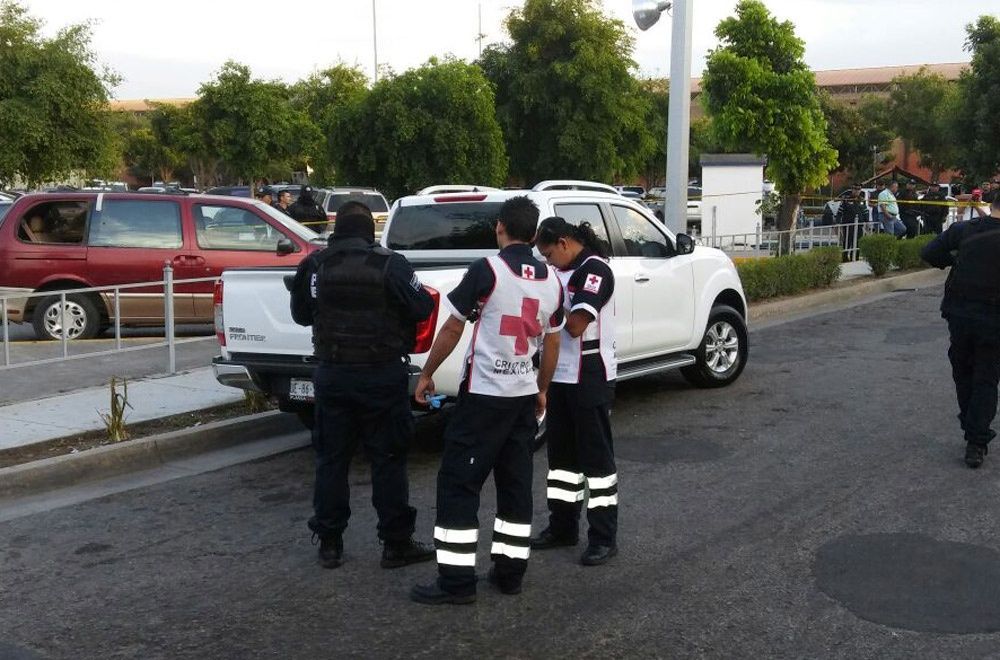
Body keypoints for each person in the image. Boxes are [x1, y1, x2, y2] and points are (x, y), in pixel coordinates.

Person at [409, 196, 564, 605]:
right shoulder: (551, 280)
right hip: (523, 398)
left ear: (500, 227)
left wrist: (426, 373)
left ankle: (456, 583)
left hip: (484, 397)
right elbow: (552, 344)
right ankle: (510, 573)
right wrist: (543, 388)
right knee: (516, 486)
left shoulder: (487, 271)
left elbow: (453, 329)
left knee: (459, 484)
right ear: (533, 235)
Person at [289, 201, 436, 569]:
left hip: (333, 374)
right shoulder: (390, 264)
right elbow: (421, 307)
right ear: (369, 231)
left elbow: (301, 314)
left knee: (331, 460)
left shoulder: (315, 265)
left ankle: (330, 542)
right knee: (387, 459)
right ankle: (396, 543)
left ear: (338, 230)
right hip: (380, 374)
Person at [530, 217, 619, 566]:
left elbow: (576, 326)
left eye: (550, 253)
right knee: (562, 463)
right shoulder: (556, 270)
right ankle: (562, 527)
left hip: (590, 372)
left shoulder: (594, 270)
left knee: (597, 462)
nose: (548, 261)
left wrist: (542, 313)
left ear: (565, 242)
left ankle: (603, 537)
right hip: (560, 375)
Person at [921, 194, 1000, 468]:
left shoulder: (963, 230)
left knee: (963, 371)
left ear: (992, 206)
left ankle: (971, 425)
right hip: (993, 319)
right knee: (986, 378)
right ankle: (976, 441)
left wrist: (955, 263)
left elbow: (928, 252)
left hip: (959, 314)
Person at [835, 186, 865, 261]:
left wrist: (867, 222)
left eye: (859, 189)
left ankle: (855, 258)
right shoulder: (846, 199)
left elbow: (865, 212)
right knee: (847, 242)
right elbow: (840, 211)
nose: (857, 191)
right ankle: (845, 258)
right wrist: (837, 222)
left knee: (858, 242)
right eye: (855, 189)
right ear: (852, 189)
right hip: (848, 224)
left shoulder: (862, 200)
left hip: (859, 225)